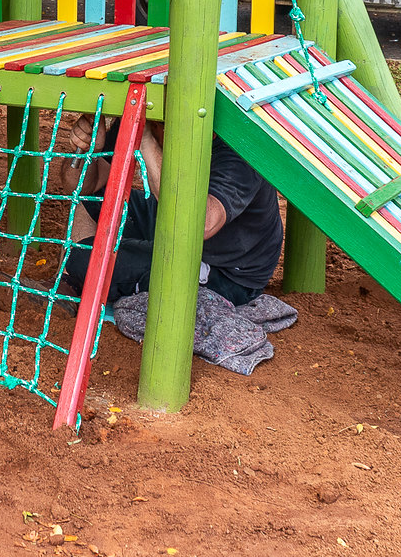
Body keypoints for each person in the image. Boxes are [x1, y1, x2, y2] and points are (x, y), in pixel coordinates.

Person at [57, 118, 298, 373]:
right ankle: (68, 281)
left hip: (227, 272)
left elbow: (198, 225)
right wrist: (87, 152)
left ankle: (76, 281)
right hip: (170, 220)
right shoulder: (146, 115)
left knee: (83, 258)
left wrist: (147, 141)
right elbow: (82, 187)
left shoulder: (239, 147)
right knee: (98, 204)